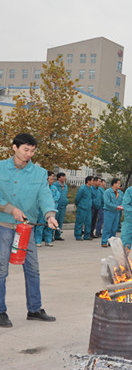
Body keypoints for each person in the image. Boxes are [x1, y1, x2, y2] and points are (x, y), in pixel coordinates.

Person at [0, 133, 59, 327]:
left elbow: (44, 195)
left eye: (32, 151)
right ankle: (0, 312)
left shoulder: (39, 173)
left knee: (33, 269)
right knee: (1, 269)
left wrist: (50, 215)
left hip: (27, 228)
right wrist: (10, 209)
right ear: (14, 147)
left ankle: (34, 309)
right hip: (4, 225)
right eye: (26, 149)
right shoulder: (0, 167)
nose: (29, 154)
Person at [35, 171, 60, 247]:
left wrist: (50, 200)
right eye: (51, 177)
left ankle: (48, 240)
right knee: (40, 225)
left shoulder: (54, 188)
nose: (52, 179)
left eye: (53, 178)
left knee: (50, 226)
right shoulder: (41, 188)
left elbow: (57, 196)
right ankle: (38, 241)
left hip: (52, 210)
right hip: (42, 210)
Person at [101, 178, 123, 248]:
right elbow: (107, 202)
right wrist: (116, 206)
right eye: (118, 183)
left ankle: (112, 242)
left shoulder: (119, 192)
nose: (119, 185)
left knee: (114, 228)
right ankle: (104, 241)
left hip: (117, 212)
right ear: (114, 184)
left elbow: (122, 200)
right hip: (109, 211)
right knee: (107, 227)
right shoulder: (107, 192)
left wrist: (121, 206)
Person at [74, 176, 93, 241]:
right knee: (80, 222)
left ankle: (87, 235)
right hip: (82, 207)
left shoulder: (90, 188)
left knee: (88, 223)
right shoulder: (82, 188)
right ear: (88, 181)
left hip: (88, 208)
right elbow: (78, 198)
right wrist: (79, 205)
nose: (93, 182)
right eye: (92, 180)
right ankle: (78, 235)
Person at [52, 172, 68, 241]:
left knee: (60, 221)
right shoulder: (55, 185)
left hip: (63, 206)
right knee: (54, 221)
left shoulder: (65, 186)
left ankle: (58, 235)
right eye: (63, 176)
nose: (64, 178)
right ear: (59, 178)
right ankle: (50, 235)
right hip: (56, 206)